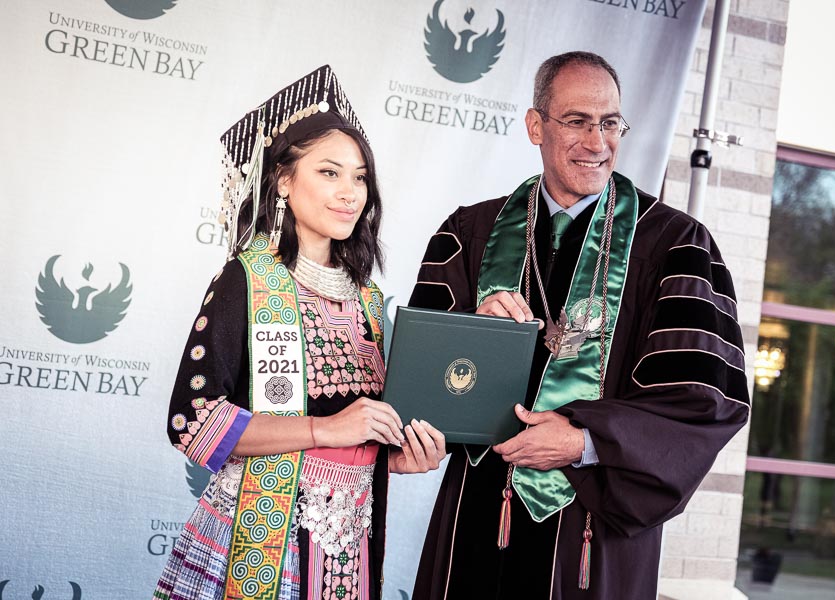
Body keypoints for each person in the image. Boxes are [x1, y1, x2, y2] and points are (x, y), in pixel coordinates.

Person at [408, 52, 750, 599]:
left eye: (610, 122)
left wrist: (586, 441)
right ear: (535, 125)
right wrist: (469, 334)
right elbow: (419, 376)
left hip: (589, 521)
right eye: (577, 121)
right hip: (477, 500)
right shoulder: (472, 231)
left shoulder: (675, 245)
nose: (597, 142)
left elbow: (702, 401)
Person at [154, 65, 445, 600]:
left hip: (347, 553)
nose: (350, 192)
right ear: (284, 181)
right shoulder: (248, 278)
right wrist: (325, 429)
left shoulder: (371, 303)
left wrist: (399, 456)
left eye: (359, 177)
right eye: (330, 173)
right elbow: (192, 424)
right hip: (261, 537)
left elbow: (365, 433)